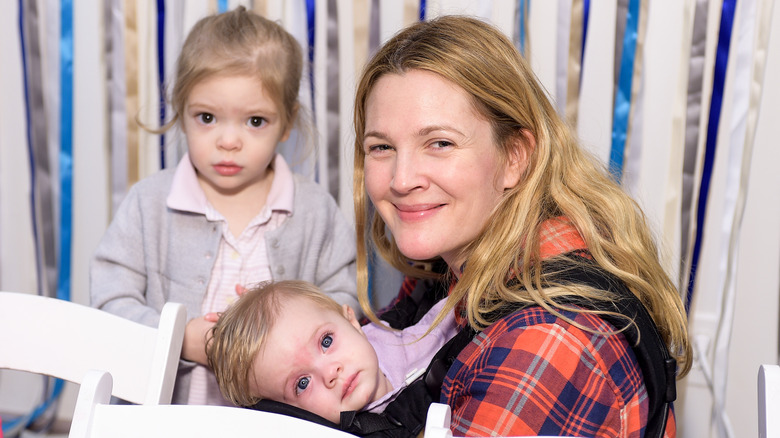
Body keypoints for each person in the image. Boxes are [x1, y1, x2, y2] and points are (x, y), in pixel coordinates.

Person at [352, 15, 692, 437]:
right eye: (381, 147)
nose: (402, 180)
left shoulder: (547, 339)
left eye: (439, 143)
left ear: (515, 156)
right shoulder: (453, 263)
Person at [89, 7, 358, 406]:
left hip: (277, 422)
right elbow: (109, 304)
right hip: (165, 420)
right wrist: (180, 338)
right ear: (181, 113)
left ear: (287, 122)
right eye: (208, 117)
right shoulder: (148, 204)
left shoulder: (314, 211)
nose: (228, 141)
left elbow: (343, 304)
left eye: (254, 121)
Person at [207, 280, 458, 424]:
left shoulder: (400, 338)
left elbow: (453, 314)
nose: (329, 372)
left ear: (351, 321)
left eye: (326, 341)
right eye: (302, 383)